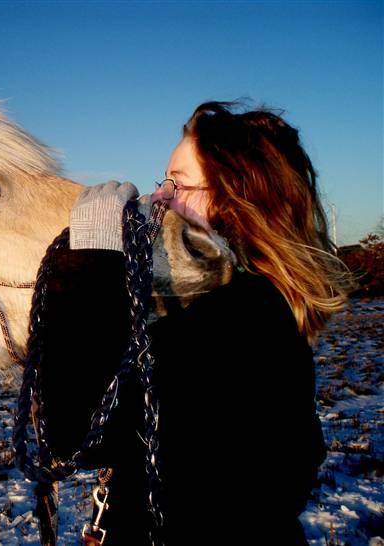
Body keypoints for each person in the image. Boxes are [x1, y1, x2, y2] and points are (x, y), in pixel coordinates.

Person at [38, 102, 353, 545]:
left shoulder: (241, 316)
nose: (160, 197)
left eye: (180, 184)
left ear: (239, 198)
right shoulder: (248, 299)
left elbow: (76, 432)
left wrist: (88, 262)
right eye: (162, 180)